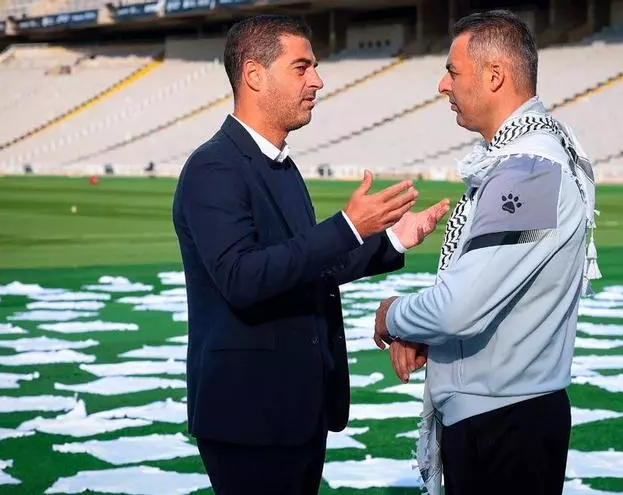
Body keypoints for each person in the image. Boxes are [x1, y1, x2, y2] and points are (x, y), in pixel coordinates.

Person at [171, 15, 450, 494]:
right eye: (302, 67)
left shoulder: (280, 164)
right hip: (250, 417)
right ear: (255, 75)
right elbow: (242, 277)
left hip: (297, 410)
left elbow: (309, 264)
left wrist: (392, 239)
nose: (317, 80)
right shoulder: (213, 168)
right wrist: (345, 225)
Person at [372, 9, 600, 495]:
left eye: (453, 71)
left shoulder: (528, 170)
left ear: (494, 75)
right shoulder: (533, 154)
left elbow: (460, 307)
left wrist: (393, 316)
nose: (442, 85)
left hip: (502, 422)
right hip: (508, 410)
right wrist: (428, 332)